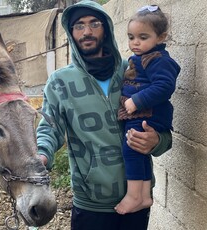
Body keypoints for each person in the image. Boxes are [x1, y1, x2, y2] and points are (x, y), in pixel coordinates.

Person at [36, 1, 173, 229]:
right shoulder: (60, 82)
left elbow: (162, 127)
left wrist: (157, 141)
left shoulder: (133, 70)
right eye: (79, 25)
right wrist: (42, 155)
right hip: (91, 203)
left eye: (94, 24)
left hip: (138, 198)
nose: (87, 31)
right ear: (71, 33)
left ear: (106, 28)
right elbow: (50, 128)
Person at [114, 5, 180, 215]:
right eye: (131, 37)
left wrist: (137, 101)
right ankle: (142, 196)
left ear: (161, 37)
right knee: (138, 153)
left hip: (147, 114)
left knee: (130, 149)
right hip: (143, 113)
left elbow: (165, 86)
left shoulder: (157, 59)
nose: (135, 42)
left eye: (143, 37)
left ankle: (134, 195)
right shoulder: (144, 57)